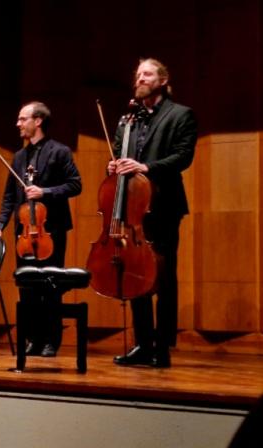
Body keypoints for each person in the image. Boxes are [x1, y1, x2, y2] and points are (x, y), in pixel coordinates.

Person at [109, 58, 197, 368]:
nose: (140, 78)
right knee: (135, 274)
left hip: (164, 205)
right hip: (131, 208)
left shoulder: (180, 114)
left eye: (147, 74)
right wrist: (116, 164)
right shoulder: (128, 119)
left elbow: (183, 157)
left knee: (163, 276)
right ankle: (143, 344)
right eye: (138, 75)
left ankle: (162, 346)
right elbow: (120, 151)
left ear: (162, 80)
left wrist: (146, 167)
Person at [0, 101, 82, 357]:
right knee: (27, 286)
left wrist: (45, 192)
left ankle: (51, 340)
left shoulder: (59, 152)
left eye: (22, 119)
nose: (18, 123)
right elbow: (9, 197)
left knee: (50, 285)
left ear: (38, 121)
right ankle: (32, 339)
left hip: (52, 230)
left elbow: (75, 185)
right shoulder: (19, 157)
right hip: (24, 232)